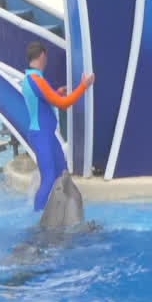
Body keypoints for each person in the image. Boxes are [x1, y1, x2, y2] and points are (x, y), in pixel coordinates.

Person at [20, 41, 94, 211]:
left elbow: (45, 99)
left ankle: (62, 209)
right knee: (49, 178)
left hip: (47, 135)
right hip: (41, 136)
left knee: (62, 174)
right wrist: (83, 86)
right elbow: (63, 104)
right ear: (42, 56)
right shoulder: (36, 79)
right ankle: (38, 219)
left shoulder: (31, 78)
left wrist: (57, 92)